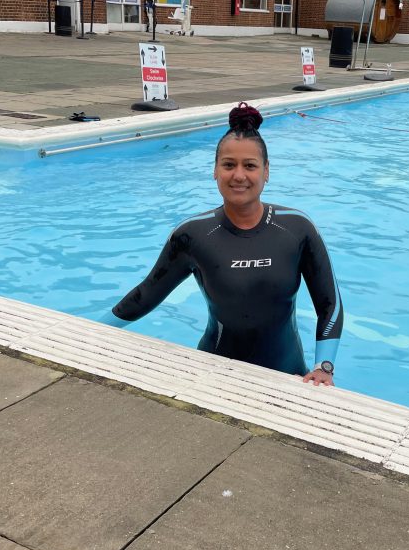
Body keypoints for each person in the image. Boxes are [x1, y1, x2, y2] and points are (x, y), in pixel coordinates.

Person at [105, 102, 343, 385]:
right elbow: (145, 295)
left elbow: (330, 305)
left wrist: (324, 367)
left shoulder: (297, 228)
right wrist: (90, 331)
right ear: (215, 170)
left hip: (287, 375)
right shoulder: (192, 235)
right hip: (211, 374)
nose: (239, 175)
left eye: (250, 166)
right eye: (229, 165)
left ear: (266, 171)